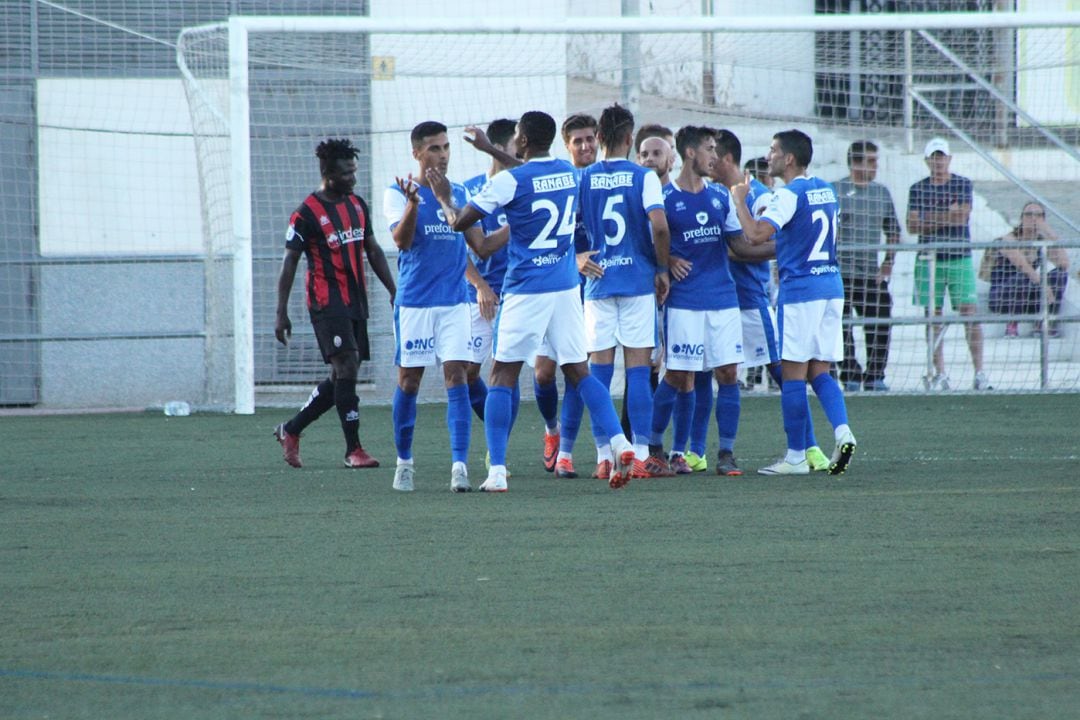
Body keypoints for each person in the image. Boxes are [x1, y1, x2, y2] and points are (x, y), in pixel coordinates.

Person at [437, 110, 637, 492]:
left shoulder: (510, 181)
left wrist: (445, 198)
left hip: (526, 289)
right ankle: (620, 442)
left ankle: (496, 471)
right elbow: (532, 172)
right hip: (565, 288)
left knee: (502, 376)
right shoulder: (566, 171)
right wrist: (490, 148)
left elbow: (462, 223)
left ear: (523, 141)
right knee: (579, 371)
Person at [694, 128, 829, 474]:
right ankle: (696, 452)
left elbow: (751, 245)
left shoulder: (757, 194)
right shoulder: (705, 193)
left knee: (785, 373)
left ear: (726, 159)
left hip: (751, 300)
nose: (707, 161)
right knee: (702, 373)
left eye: (713, 154)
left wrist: (779, 250)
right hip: (712, 300)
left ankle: (809, 447)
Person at [731, 129, 857, 476]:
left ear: (788, 159)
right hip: (831, 286)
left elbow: (755, 234)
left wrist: (739, 199)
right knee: (820, 370)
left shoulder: (789, 193)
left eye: (773, 151)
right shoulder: (826, 189)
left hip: (801, 291)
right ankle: (843, 431)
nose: (768, 156)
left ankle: (796, 456)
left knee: (792, 376)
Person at [646, 126, 769, 478]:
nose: (715, 157)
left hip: (723, 299)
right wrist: (667, 262)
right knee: (679, 375)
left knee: (728, 373)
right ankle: (655, 448)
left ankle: (725, 453)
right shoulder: (665, 198)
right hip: (684, 300)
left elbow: (741, 247)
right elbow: (649, 239)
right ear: (689, 153)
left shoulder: (720, 197)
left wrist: (783, 249)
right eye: (709, 149)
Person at [560, 103, 671, 482]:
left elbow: (564, 227)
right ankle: (640, 454)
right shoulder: (645, 177)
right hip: (638, 282)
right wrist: (660, 268)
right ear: (629, 138)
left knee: (599, 374)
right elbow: (659, 226)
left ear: (600, 138)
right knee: (639, 373)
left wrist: (576, 256)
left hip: (597, 284)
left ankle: (604, 455)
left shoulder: (583, 178)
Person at [273, 138, 396, 469]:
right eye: (346, 173)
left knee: (342, 374)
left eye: (354, 171)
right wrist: (281, 312)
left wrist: (393, 290)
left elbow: (372, 250)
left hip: (355, 300)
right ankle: (353, 449)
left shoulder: (357, 205)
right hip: (326, 301)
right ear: (328, 172)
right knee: (347, 367)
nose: (352, 179)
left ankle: (291, 429)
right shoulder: (305, 214)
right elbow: (289, 264)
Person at [383, 121, 486, 493]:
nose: (442, 155)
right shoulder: (396, 193)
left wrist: (449, 201)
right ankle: (404, 463)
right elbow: (402, 241)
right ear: (416, 153)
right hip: (414, 304)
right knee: (409, 380)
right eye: (433, 149)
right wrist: (413, 203)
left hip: (455, 302)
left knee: (456, 376)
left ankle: (459, 465)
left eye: (445, 148)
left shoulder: (458, 192)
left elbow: (478, 243)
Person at [907, 137, 990, 391]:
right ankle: (939, 372)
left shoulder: (962, 184)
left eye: (942, 156)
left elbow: (962, 217)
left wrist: (929, 217)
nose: (938, 161)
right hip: (929, 259)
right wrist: (948, 215)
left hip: (958, 257)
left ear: (949, 159)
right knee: (933, 317)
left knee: (970, 314)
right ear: (927, 160)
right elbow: (912, 225)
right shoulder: (918, 188)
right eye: (934, 157)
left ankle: (979, 372)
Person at [461, 119, 518, 424]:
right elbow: (462, 249)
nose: (522, 149)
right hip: (480, 295)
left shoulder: (525, 187)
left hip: (519, 292)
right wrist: (481, 285)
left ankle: (502, 447)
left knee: (508, 369)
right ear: (498, 149)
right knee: (468, 373)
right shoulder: (470, 190)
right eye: (516, 144)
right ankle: (497, 429)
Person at [834, 140, 902, 392]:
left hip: (870, 275)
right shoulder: (835, 191)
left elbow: (894, 231)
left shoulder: (881, 193)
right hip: (840, 273)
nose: (876, 166)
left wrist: (887, 264)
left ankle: (875, 376)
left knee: (881, 320)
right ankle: (849, 373)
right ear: (855, 163)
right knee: (839, 326)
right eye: (871, 161)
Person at [988, 201, 1070, 338]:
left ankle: (1044, 324)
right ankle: (1011, 324)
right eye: (1029, 214)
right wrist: (1043, 284)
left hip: (1029, 297)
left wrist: (1051, 234)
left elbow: (1064, 264)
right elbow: (1022, 265)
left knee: (1059, 275)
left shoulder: (1042, 241)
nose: (1033, 218)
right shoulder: (1008, 239)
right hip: (1003, 297)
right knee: (1023, 276)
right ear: (1021, 218)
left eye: (1038, 215)